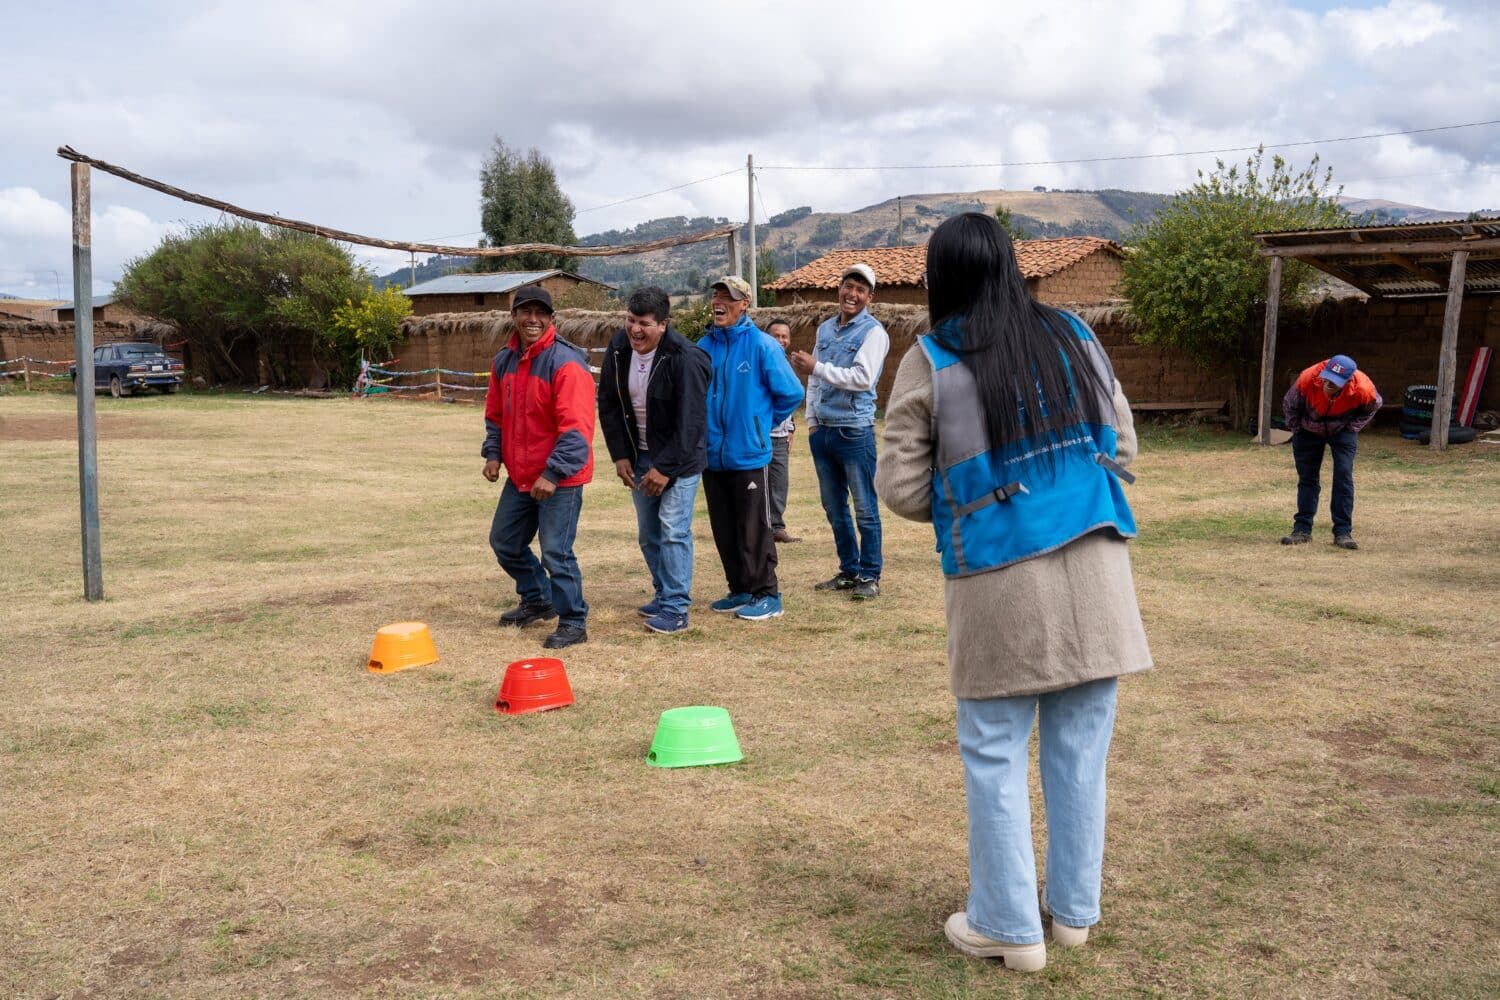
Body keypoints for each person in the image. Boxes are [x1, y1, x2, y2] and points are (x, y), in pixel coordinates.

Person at [875, 212, 1152, 972]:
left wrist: (981, 499)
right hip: (1098, 571)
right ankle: (1073, 916)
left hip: (998, 581)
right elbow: (1123, 445)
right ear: (1011, 265)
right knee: (1081, 750)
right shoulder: (1077, 334)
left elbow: (899, 486)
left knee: (994, 752)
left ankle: (1007, 925)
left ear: (939, 279)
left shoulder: (932, 358)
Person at [481, 285, 595, 650]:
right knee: (505, 541)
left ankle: (573, 621)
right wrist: (493, 453)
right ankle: (538, 598)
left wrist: (553, 473)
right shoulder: (505, 360)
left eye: (540, 313)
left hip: (560, 478)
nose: (533, 319)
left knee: (556, 552)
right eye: (525, 312)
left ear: (551, 319)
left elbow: (577, 429)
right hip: (521, 475)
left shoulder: (566, 363)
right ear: (514, 316)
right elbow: (496, 415)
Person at [597, 286, 711, 634]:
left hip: (680, 458)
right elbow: (609, 403)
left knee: (673, 529)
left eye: (644, 323)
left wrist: (665, 469)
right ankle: (662, 594)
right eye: (630, 320)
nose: (635, 329)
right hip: (640, 455)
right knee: (649, 534)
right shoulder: (619, 348)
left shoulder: (686, 358)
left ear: (663, 324)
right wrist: (620, 454)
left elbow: (691, 423)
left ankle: (676, 609)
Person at [697, 276, 805, 622]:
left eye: (727, 297)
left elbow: (792, 392)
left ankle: (767, 594)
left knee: (753, 529)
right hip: (713, 456)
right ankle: (740, 589)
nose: (719, 301)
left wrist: (760, 422)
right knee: (724, 528)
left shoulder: (762, 345)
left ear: (744, 304)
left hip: (749, 454)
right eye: (716, 294)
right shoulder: (704, 346)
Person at [791, 263, 889, 600]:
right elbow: (814, 381)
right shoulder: (825, 330)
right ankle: (848, 570)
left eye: (861, 290)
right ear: (839, 288)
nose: (853, 294)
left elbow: (863, 378)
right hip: (824, 432)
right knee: (834, 507)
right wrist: (812, 422)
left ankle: (870, 575)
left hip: (854, 431)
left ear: (870, 297)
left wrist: (816, 367)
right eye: (849, 286)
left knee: (864, 508)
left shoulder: (874, 333)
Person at [1280, 354, 1381, 550]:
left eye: (1335, 382)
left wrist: (1352, 428)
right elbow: (1289, 405)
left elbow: (1374, 405)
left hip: (1342, 430)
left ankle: (1343, 532)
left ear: (1348, 381)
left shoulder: (1363, 388)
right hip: (1308, 429)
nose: (1328, 384)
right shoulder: (1307, 378)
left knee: (1343, 476)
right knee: (1307, 478)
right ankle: (1302, 530)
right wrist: (1297, 429)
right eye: (1327, 378)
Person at [765, 319, 802, 544]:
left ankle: (777, 527)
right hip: (761, 434)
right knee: (757, 484)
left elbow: (792, 399)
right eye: (775, 336)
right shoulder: (761, 361)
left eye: (784, 336)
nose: (780, 340)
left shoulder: (788, 365)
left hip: (780, 436)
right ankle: (758, 528)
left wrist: (791, 428)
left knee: (779, 483)